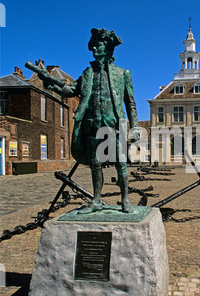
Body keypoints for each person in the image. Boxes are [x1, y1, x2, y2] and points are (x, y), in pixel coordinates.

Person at [42, 28, 139, 213]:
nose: (94, 48)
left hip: (115, 125)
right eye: (93, 45)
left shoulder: (123, 74)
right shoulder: (88, 73)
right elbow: (71, 91)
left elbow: (130, 103)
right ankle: (96, 200)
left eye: (99, 44)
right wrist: (50, 83)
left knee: (121, 164)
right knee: (95, 165)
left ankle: (125, 200)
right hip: (93, 125)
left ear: (109, 48)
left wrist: (134, 127)